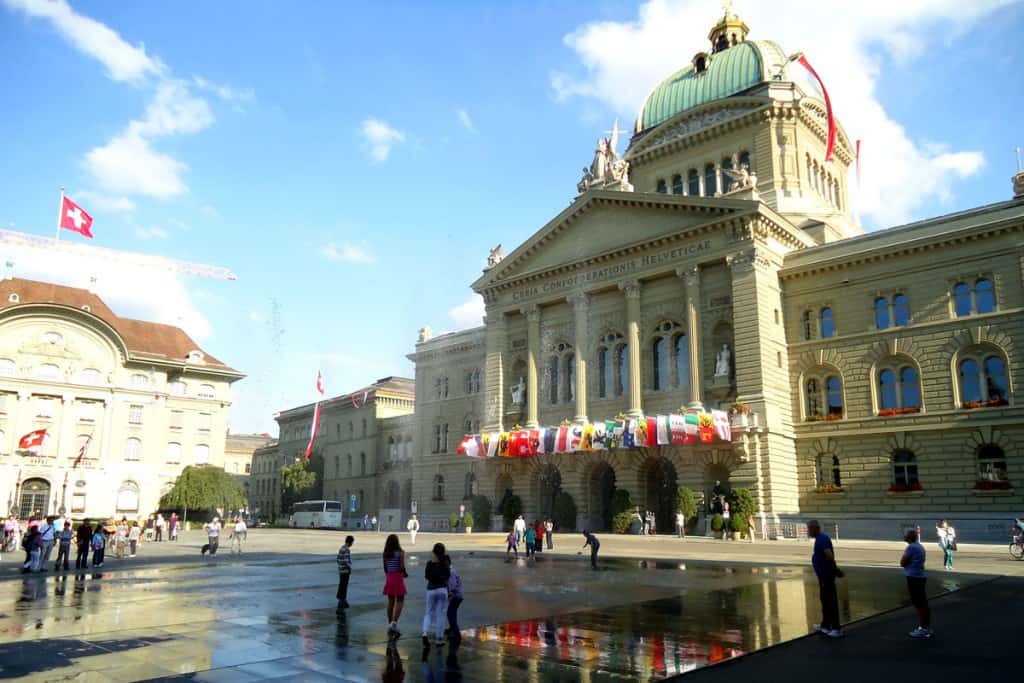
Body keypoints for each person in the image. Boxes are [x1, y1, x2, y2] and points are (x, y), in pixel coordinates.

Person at [808, 519, 844, 638]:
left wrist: (835, 569)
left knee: (830, 601)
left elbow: (829, 555)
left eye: (809, 528)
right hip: (824, 575)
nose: (808, 531)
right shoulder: (820, 538)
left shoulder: (822, 539)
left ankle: (835, 628)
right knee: (825, 600)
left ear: (815, 528)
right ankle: (825, 624)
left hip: (826, 576)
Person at [901, 529, 932, 638]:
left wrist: (905, 563)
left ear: (909, 537)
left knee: (919, 603)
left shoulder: (911, 547)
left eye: (905, 535)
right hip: (920, 575)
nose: (903, 537)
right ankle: (925, 626)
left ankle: (924, 628)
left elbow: (903, 562)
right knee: (922, 602)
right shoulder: (919, 546)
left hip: (914, 576)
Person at [422, 542, 451, 648]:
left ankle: (425, 633)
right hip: (442, 590)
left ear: (433, 551)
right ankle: (439, 638)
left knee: (428, 612)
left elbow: (426, 576)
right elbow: (448, 575)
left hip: (431, 589)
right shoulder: (445, 562)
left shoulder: (429, 563)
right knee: (441, 615)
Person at [382, 534, 408, 637]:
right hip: (398, 577)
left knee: (391, 601)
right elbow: (401, 566)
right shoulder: (400, 553)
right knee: (400, 600)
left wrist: (389, 573)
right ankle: (394, 623)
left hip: (389, 577)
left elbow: (385, 568)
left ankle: (389, 624)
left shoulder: (385, 554)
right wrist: (405, 573)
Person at [445, 554, 463, 640]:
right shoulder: (451, 570)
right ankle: (452, 628)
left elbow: (452, 585)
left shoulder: (450, 572)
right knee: (452, 613)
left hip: (455, 596)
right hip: (457, 596)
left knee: (450, 614)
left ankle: (456, 633)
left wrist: (449, 593)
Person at [336, 535, 354, 610]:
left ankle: (341, 599)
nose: (352, 544)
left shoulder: (341, 548)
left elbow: (337, 559)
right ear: (349, 542)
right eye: (352, 542)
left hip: (340, 570)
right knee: (344, 586)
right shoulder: (346, 550)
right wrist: (350, 568)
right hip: (345, 570)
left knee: (341, 585)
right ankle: (342, 600)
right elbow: (347, 561)